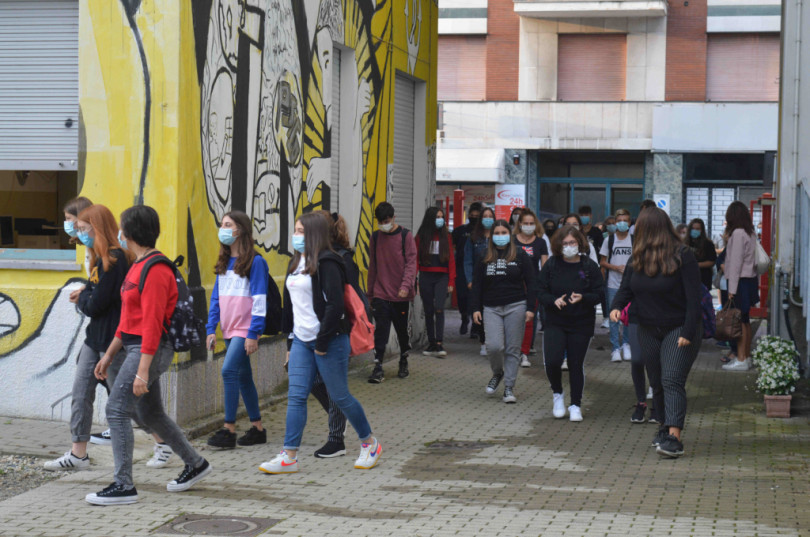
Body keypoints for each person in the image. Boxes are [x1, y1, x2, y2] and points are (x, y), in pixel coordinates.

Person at [90, 205, 212, 505]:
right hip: (134, 347)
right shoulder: (137, 265)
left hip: (150, 349)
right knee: (150, 413)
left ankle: (123, 485)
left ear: (129, 232)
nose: (118, 230)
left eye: (121, 226)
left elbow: (153, 325)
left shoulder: (156, 269)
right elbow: (128, 320)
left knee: (116, 410)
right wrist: (108, 355)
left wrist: (143, 371)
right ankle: (196, 464)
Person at [259, 212, 381, 473]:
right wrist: (291, 345)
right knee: (296, 396)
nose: (296, 236)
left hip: (330, 340)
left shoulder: (328, 262)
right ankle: (289, 456)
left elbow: (335, 305)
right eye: (295, 230)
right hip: (302, 341)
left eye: (301, 231)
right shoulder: (296, 262)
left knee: (340, 396)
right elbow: (292, 308)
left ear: (315, 234)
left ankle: (369, 443)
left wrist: (322, 342)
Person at [43, 204, 133, 472]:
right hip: (94, 339)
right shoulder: (99, 258)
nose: (80, 234)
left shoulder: (116, 260)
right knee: (81, 393)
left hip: (114, 343)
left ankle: (160, 443)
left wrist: (83, 297)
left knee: (128, 406)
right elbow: (94, 294)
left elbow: (97, 304)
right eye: (78, 229)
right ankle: (78, 454)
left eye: (84, 229)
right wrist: (87, 293)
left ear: (99, 227)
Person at [610, 207, 703, 458]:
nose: (634, 230)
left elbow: (695, 299)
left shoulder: (683, 256)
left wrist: (688, 331)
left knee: (672, 378)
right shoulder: (637, 258)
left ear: (650, 230)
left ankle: (675, 437)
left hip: (679, 328)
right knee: (657, 380)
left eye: (638, 227)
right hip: (647, 327)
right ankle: (663, 426)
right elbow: (625, 289)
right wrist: (616, 307)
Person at [205, 211, 269, 449]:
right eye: (222, 224)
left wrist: (254, 333)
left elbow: (260, 300)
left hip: (245, 329)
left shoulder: (256, 262)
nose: (223, 228)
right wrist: (211, 328)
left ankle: (228, 430)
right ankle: (257, 429)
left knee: (228, 372)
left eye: (228, 224)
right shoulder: (224, 263)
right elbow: (216, 299)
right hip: (229, 330)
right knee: (243, 377)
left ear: (240, 229)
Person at [309, 211, 369, 458]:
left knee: (337, 390)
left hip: (336, 332)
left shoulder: (337, 260)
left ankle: (338, 438)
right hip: (316, 332)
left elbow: (346, 299)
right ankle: (340, 422)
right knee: (316, 383)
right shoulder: (313, 258)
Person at [538, 225, 604, 422]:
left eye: (572, 242)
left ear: (579, 243)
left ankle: (576, 404)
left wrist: (583, 298)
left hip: (581, 322)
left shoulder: (589, 266)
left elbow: (600, 293)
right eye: (565, 243)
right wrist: (552, 300)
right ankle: (557, 394)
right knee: (552, 361)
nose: (569, 246)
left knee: (576, 364)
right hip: (555, 321)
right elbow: (540, 291)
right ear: (559, 245)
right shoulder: (552, 265)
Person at [470, 219, 536, 404]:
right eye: (497, 233)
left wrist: (531, 308)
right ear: (492, 236)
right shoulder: (484, 256)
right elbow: (477, 286)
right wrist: (475, 308)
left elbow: (532, 283)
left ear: (510, 234)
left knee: (513, 349)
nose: (500, 236)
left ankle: (509, 387)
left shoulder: (521, 255)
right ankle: (497, 373)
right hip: (491, 308)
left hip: (516, 306)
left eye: (503, 232)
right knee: (494, 346)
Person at [367, 202, 417, 383]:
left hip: (400, 294)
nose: (384, 225)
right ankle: (378, 366)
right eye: (380, 222)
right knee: (381, 330)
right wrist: (370, 294)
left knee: (402, 330)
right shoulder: (375, 237)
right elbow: (373, 266)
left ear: (394, 218)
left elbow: (411, 264)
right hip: (381, 292)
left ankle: (403, 359)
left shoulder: (405, 236)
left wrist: (405, 286)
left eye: (387, 221)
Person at [721, 201, 759, 372]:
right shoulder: (750, 233)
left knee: (739, 322)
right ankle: (747, 357)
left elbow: (735, 263)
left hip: (740, 282)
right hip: (750, 281)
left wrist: (731, 290)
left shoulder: (737, 233)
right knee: (745, 320)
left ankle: (741, 358)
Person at [415, 207, 455, 358]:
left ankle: (439, 342)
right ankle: (431, 342)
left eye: (441, 216)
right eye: (437, 217)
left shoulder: (447, 237)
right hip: (426, 276)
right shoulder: (420, 237)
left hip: (441, 277)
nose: (440, 219)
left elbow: (451, 260)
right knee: (428, 310)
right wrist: (415, 280)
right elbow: (415, 259)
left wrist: (451, 281)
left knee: (439, 308)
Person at [513, 208, 548, 367]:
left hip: (532, 286)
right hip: (513, 285)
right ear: (519, 224)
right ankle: (512, 350)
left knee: (529, 320)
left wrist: (542, 285)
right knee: (513, 320)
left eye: (531, 223)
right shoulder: (512, 240)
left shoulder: (540, 242)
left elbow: (545, 266)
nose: (528, 226)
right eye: (525, 223)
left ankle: (524, 353)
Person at [600, 208, 633, 363]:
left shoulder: (634, 240)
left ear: (629, 222)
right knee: (614, 317)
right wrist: (616, 267)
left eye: (625, 220)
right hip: (613, 283)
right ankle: (615, 348)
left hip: (630, 285)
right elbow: (603, 262)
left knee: (628, 316)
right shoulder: (610, 240)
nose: (622, 223)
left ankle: (626, 344)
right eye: (619, 221)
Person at [465, 206, 496, 355]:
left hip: (496, 280)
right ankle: (483, 342)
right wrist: (470, 279)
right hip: (479, 280)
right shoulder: (473, 238)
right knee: (481, 312)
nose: (488, 219)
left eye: (491, 216)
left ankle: (494, 341)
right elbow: (468, 260)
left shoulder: (499, 235)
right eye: (485, 216)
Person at [452, 202, 482, 335]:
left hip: (478, 269)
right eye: (472, 215)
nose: (474, 217)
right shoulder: (459, 231)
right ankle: (464, 317)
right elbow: (451, 248)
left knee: (476, 297)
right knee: (462, 296)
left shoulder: (483, 233)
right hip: (460, 269)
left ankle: (476, 327)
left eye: (477, 215)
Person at [686, 218, 718, 292]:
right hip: (687, 278)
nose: (695, 231)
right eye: (693, 228)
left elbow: (712, 261)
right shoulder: (685, 242)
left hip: (703, 278)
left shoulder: (708, 244)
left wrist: (696, 265)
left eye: (697, 229)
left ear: (702, 230)